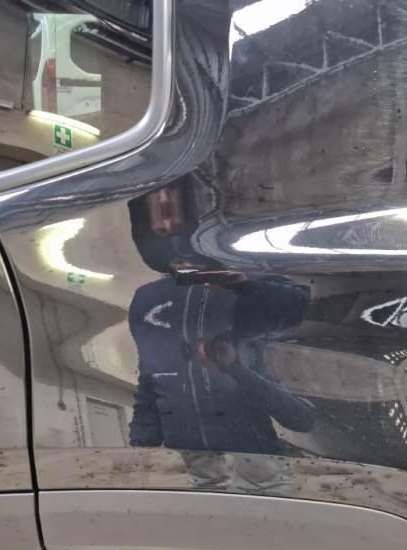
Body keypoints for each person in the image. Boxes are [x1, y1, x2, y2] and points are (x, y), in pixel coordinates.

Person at [127, 178, 316, 492]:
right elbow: (150, 377)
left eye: (177, 209)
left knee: (272, 508)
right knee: (209, 512)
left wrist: (240, 284)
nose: (169, 225)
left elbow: (296, 309)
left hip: (253, 447)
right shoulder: (147, 299)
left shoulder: (249, 279)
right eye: (157, 213)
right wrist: (140, 448)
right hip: (190, 451)